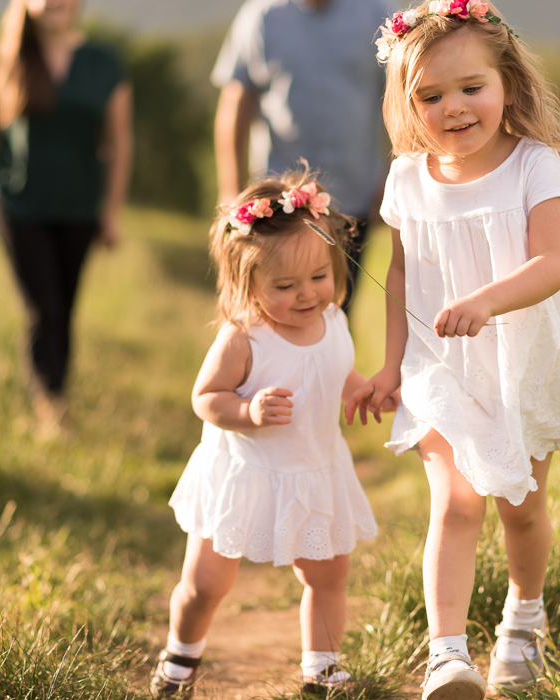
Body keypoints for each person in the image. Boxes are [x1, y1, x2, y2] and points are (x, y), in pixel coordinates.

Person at [345, 2, 560, 698]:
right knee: (454, 503)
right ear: (406, 102)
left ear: (507, 82)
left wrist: (486, 300)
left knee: (521, 507)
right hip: (438, 368)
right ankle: (447, 654)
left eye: (470, 88)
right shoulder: (407, 180)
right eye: (430, 95)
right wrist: (391, 366)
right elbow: (399, 275)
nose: (452, 108)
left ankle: (522, 621)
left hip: (519, 364)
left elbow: (553, 263)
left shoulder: (533, 166)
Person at [151, 171, 392, 697]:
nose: (307, 295)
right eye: (285, 286)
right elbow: (206, 398)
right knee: (208, 583)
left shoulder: (334, 320)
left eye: (318, 277)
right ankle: (180, 656)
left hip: (313, 468)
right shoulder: (244, 338)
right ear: (247, 283)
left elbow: (330, 368)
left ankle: (322, 669)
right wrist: (247, 410)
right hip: (245, 473)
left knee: (327, 576)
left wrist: (358, 389)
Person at [0, 0, 133, 438]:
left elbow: (120, 142)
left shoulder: (104, 63)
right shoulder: (2, 58)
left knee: (65, 307)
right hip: (20, 207)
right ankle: (48, 403)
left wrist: (111, 213)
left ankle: (56, 395)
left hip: (79, 208)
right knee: (43, 307)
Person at [211, 0, 392, 310]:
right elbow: (235, 103)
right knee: (271, 311)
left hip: (352, 198)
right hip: (277, 206)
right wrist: (231, 191)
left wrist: (392, 177)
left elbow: (401, 97)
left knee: (336, 310)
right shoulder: (262, 16)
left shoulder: (376, 11)